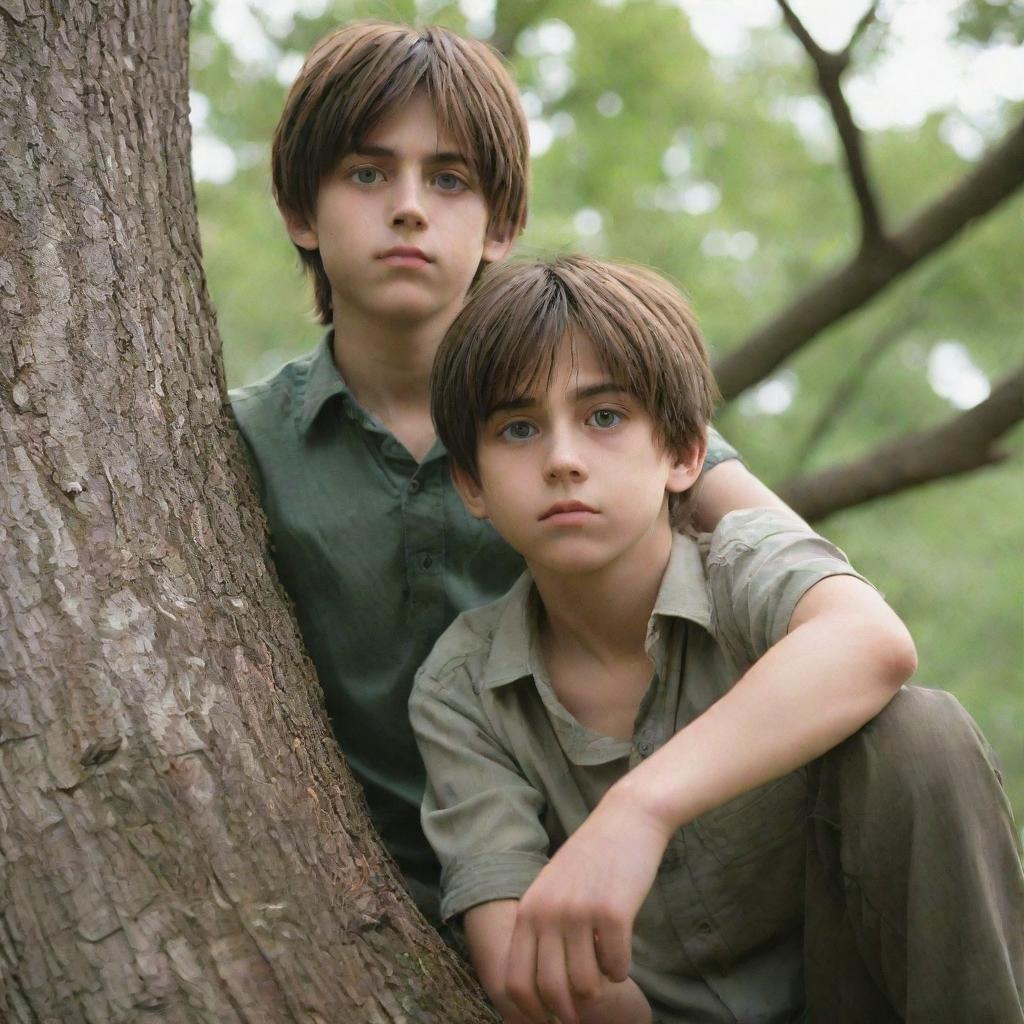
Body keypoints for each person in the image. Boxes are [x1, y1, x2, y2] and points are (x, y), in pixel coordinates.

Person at [230, 21, 796, 922]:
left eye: (449, 178)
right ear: (301, 211)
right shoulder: (237, 443)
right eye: (367, 173)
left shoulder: (583, 422)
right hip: (365, 897)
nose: (409, 207)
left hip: (630, 877)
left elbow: (817, 586)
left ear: (503, 224)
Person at [411, 255, 1024, 1024]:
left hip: (863, 994)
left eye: (604, 417)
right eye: (519, 428)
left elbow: (872, 641)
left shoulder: (742, 566)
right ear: (471, 482)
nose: (562, 460)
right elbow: (520, 965)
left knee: (919, 732)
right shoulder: (462, 688)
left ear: (685, 454)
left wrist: (639, 808)